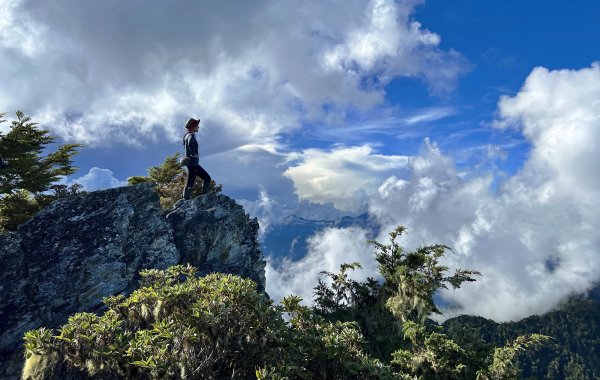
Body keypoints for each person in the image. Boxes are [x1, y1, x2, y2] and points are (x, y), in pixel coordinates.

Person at [182, 117, 211, 200]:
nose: (198, 127)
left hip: (191, 164)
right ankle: (203, 198)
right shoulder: (191, 135)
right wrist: (194, 153)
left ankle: (186, 199)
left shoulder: (186, 136)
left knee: (190, 183)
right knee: (207, 178)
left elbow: (186, 145)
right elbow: (191, 143)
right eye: (197, 126)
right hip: (193, 164)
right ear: (193, 126)